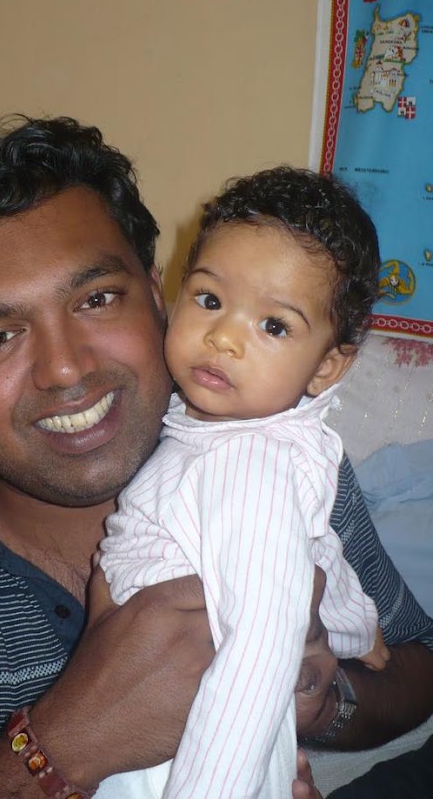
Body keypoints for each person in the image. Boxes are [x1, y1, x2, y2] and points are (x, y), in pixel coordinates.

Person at [0, 118, 433, 799]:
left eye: (96, 299)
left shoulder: (272, 448)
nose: (66, 369)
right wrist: (70, 738)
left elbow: (417, 665)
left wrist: (321, 703)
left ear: (156, 296)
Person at [101, 166, 388, 798]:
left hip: (190, 753)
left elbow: (258, 655)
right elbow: (317, 550)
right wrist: (356, 627)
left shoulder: (243, 463)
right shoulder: (245, 440)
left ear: (327, 366)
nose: (224, 337)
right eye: (209, 300)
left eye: (274, 326)